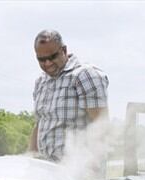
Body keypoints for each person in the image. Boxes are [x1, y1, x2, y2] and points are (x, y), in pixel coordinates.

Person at [29, 30, 109, 162]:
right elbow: (39, 124)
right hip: (45, 168)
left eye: (52, 57)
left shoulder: (84, 75)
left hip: (77, 168)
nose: (47, 63)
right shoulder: (41, 82)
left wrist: (89, 166)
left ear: (64, 50)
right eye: (41, 59)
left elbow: (101, 126)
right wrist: (29, 159)